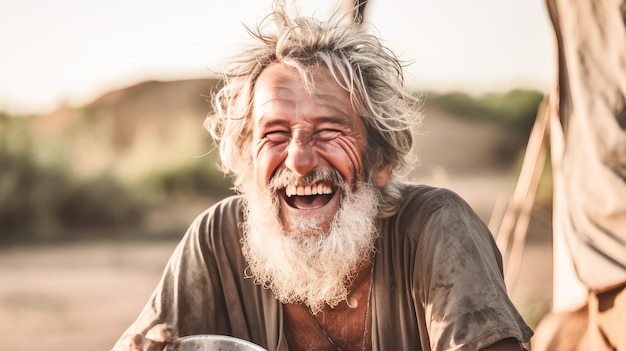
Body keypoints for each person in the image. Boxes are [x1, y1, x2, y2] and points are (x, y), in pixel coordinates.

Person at [113, 2, 533, 350]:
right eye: (274, 134)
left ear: (380, 158)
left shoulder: (435, 228)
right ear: (246, 164)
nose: (298, 159)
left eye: (329, 131)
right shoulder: (216, 240)